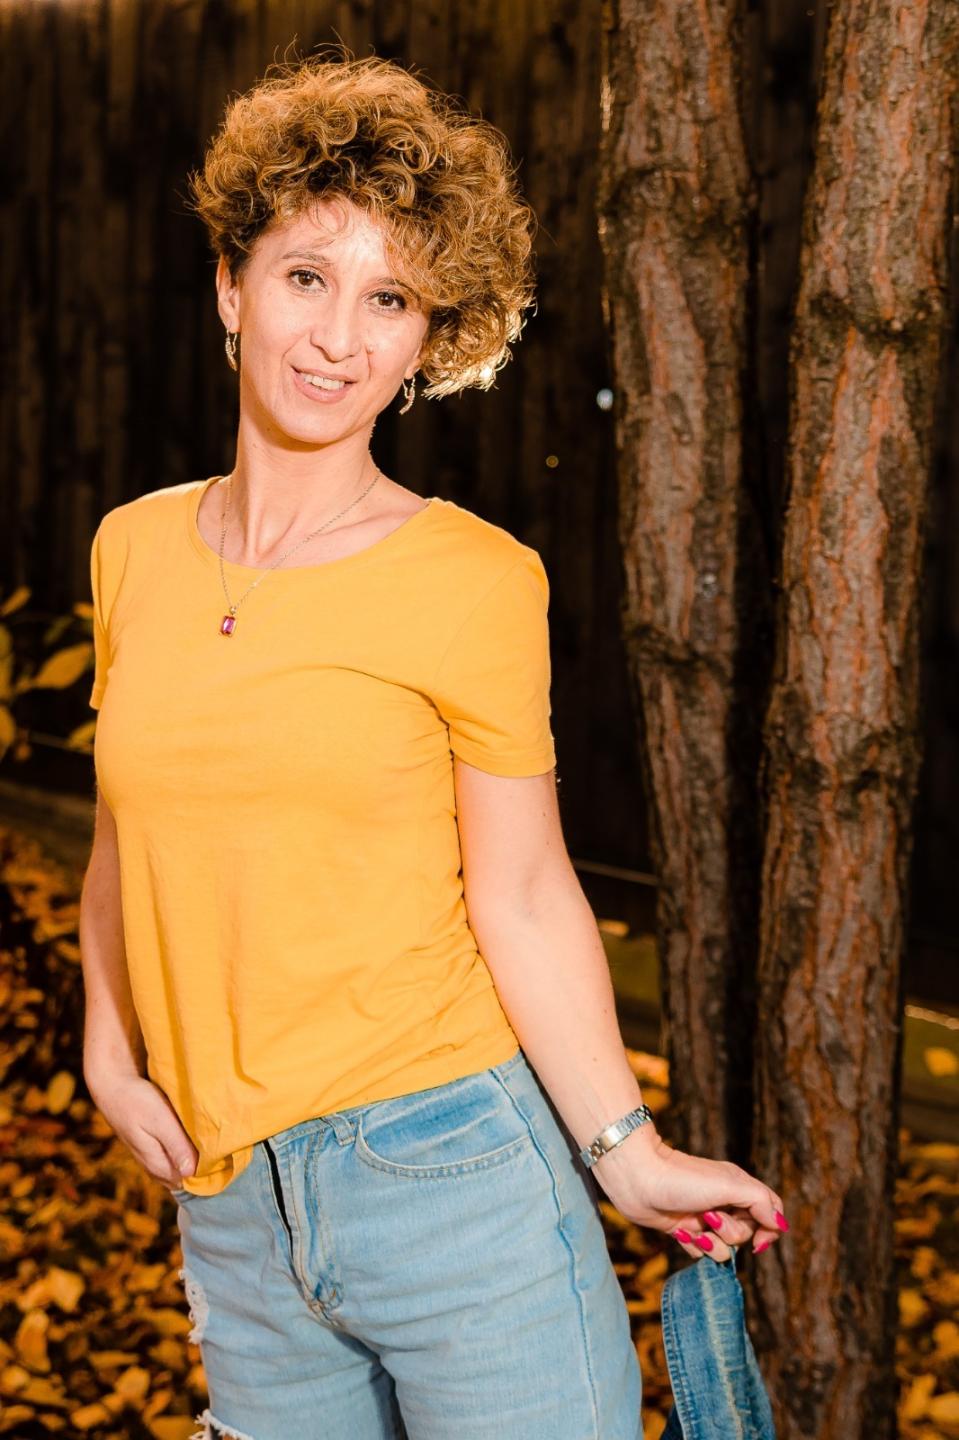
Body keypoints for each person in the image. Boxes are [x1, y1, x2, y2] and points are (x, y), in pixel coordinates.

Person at [79, 46, 787, 1440]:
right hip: (232, 1207)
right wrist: (111, 1050)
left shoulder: (473, 580)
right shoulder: (133, 549)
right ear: (230, 287)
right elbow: (126, 836)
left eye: (390, 298)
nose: (338, 338)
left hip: (455, 1179)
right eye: (306, 277)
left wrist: (628, 1154)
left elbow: (521, 891)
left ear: (426, 342)